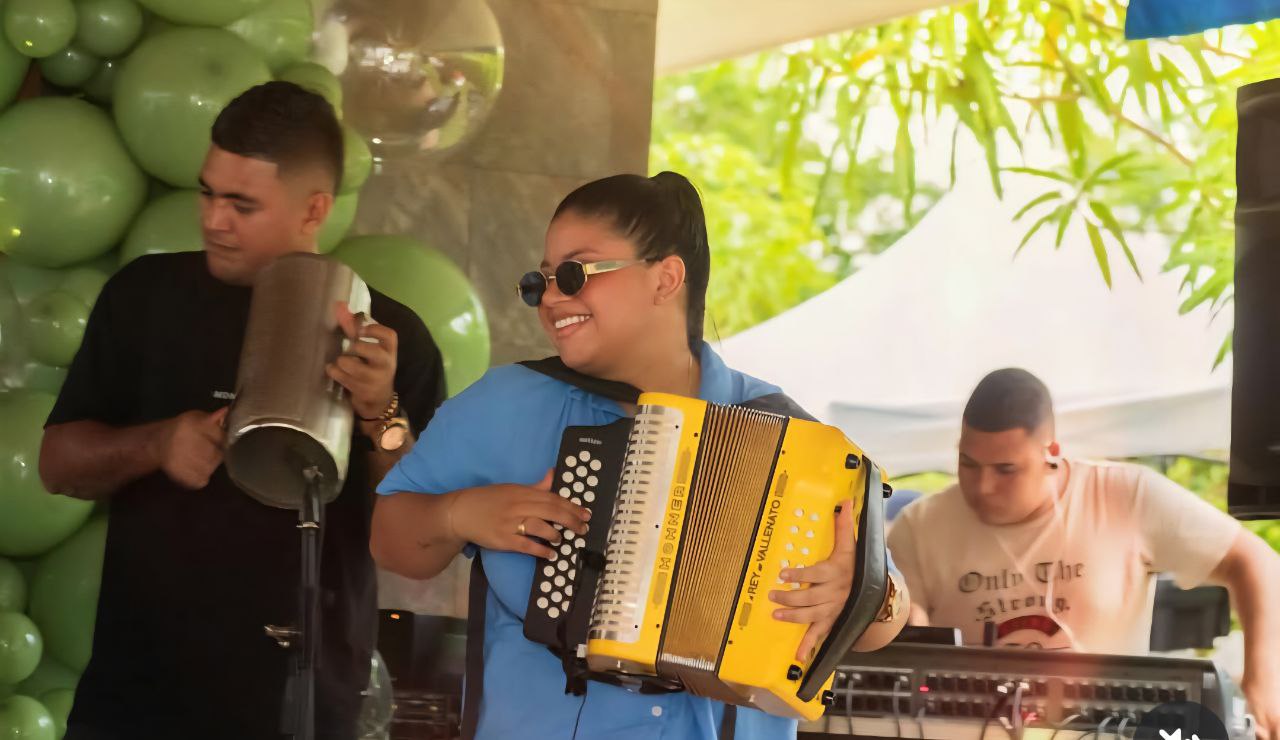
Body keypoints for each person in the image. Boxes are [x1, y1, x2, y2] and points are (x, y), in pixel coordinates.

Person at [370, 171, 907, 740]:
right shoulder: (504, 404)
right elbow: (392, 541)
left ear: (665, 278)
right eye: (540, 282)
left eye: (575, 274)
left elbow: (886, 619)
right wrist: (460, 514)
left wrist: (862, 592)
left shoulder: (788, 433)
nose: (552, 298)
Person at [38, 81, 446, 740]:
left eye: (241, 204)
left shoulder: (389, 335)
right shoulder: (144, 298)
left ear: (314, 209)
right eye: (207, 192)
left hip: (303, 704)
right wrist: (156, 444)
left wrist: (380, 413)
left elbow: (417, 547)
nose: (213, 220)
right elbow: (56, 465)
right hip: (137, 700)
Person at [887, 368, 1280, 738]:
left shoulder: (1125, 496)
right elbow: (903, 633)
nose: (983, 486)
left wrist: (1263, 682)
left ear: (1051, 452)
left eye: (1005, 469)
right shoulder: (918, 527)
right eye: (968, 463)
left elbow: (1255, 562)